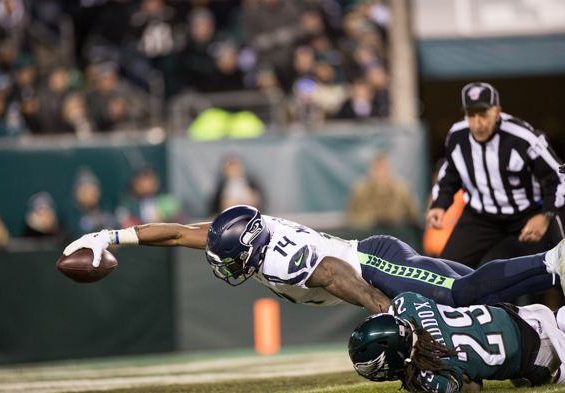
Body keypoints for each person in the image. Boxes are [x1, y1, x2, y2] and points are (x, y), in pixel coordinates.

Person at [65, 205, 565, 315]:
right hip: (369, 266)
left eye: (227, 260)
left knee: (460, 295)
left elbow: (339, 278)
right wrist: (107, 236)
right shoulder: (242, 238)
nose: (220, 266)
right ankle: (537, 328)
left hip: (375, 265)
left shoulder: (281, 261)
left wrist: (396, 320)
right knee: (473, 293)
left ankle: (553, 263)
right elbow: (175, 233)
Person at [427, 82, 565, 269]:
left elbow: (559, 177)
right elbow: (450, 173)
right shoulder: (457, 136)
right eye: (471, 115)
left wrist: (545, 215)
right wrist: (439, 204)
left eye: (483, 115)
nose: (477, 124)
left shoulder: (523, 137)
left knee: (561, 267)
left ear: (497, 112)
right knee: (443, 272)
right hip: (480, 216)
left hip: (528, 212)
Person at [349, 291, 565, 392]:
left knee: (524, 382)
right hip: (519, 315)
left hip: (536, 356)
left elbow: (475, 387)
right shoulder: (406, 302)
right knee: (558, 319)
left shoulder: (432, 378)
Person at [346, 153, 420, 229]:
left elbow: (413, 215)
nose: (380, 173)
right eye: (376, 169)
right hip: (368, 234)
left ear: (389, 169)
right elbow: (351, 217)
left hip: (396, 233)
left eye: (383, 169)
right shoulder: (360, 189)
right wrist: (372, 220)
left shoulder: (401, 188)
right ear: (370, 170)